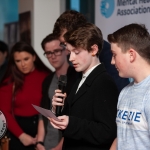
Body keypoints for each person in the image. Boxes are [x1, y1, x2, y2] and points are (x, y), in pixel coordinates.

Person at [49, 23, 119, 150]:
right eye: (70, 52)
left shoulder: (104, 82)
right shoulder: (80, 78)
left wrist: (70, 123)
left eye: (76, 52)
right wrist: (57, 111)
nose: (71, 58)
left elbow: (107, 132)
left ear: (94, 50)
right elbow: (75, 118)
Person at [53, 10, 129, 92]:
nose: (67, 49)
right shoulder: (72, 59)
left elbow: (118, 91)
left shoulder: (110, 55)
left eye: (66, 43)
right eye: (64, 44)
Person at [0, 41, 51, 150]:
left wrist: (43, 135)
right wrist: (21, 135)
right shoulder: (9, 82)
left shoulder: (47, 77)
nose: (23, 64)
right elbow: (4, 112)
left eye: (26, 59)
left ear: (34, 57)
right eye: (18, 61)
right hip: (18, 132)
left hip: (45, 128)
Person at [108, 23, 150, 150]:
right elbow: (121, 137)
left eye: (114, 55)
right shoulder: (125, 92)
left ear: (131, 55)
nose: (112, 61)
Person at [36, 34, 80, 150]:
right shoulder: (48, 79)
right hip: (47, 141)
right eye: (49, 53)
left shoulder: (77, 77)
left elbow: (76, 117)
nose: (53, 56)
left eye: (57, 51)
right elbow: (43, 112)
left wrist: (58, 148)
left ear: (66, 50)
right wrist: (39, 142)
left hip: (66, 143)